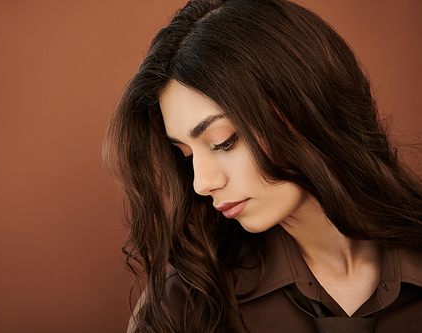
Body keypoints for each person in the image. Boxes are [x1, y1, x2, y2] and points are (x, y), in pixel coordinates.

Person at [103, 0, 422, 332]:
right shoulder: (185, 299)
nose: (201, 183)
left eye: (223, 141)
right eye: (186, 154)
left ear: (306, 108)